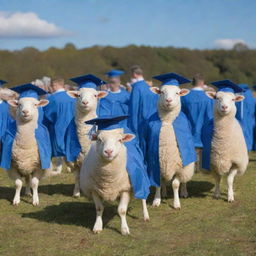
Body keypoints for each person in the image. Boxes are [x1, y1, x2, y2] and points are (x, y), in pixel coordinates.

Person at [181, 73, 214, 171]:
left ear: (192, 82)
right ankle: (202, 166)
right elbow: (210, 116)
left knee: (190, 146)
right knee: (203, 146)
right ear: (203, 83)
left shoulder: (184, 97)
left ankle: (191, 165)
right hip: (204, 128)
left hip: (188, 128)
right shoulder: (208, 98)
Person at [43, 78, 75, 172]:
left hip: (58, 126)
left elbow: (48, 115)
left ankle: (60, 167)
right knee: (69, 145)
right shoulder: (72, 96)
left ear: (54, 85)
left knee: (60, 147)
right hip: (72, 125)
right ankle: (71, 165)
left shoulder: (51, 98)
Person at [128, 65, 158, 156]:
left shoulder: (137, 88)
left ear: (134, 74)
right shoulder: (149, 88)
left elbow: (133, 109)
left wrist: (132, 128)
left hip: (140, 124)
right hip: (152, 123)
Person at [235, 84, 255, 151]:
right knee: (249, 134)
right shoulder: (252, 97)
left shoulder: (241, 97)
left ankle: (245, 149)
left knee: (244, 134)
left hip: (241, 120)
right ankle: (249, 148)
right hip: (251, 120)